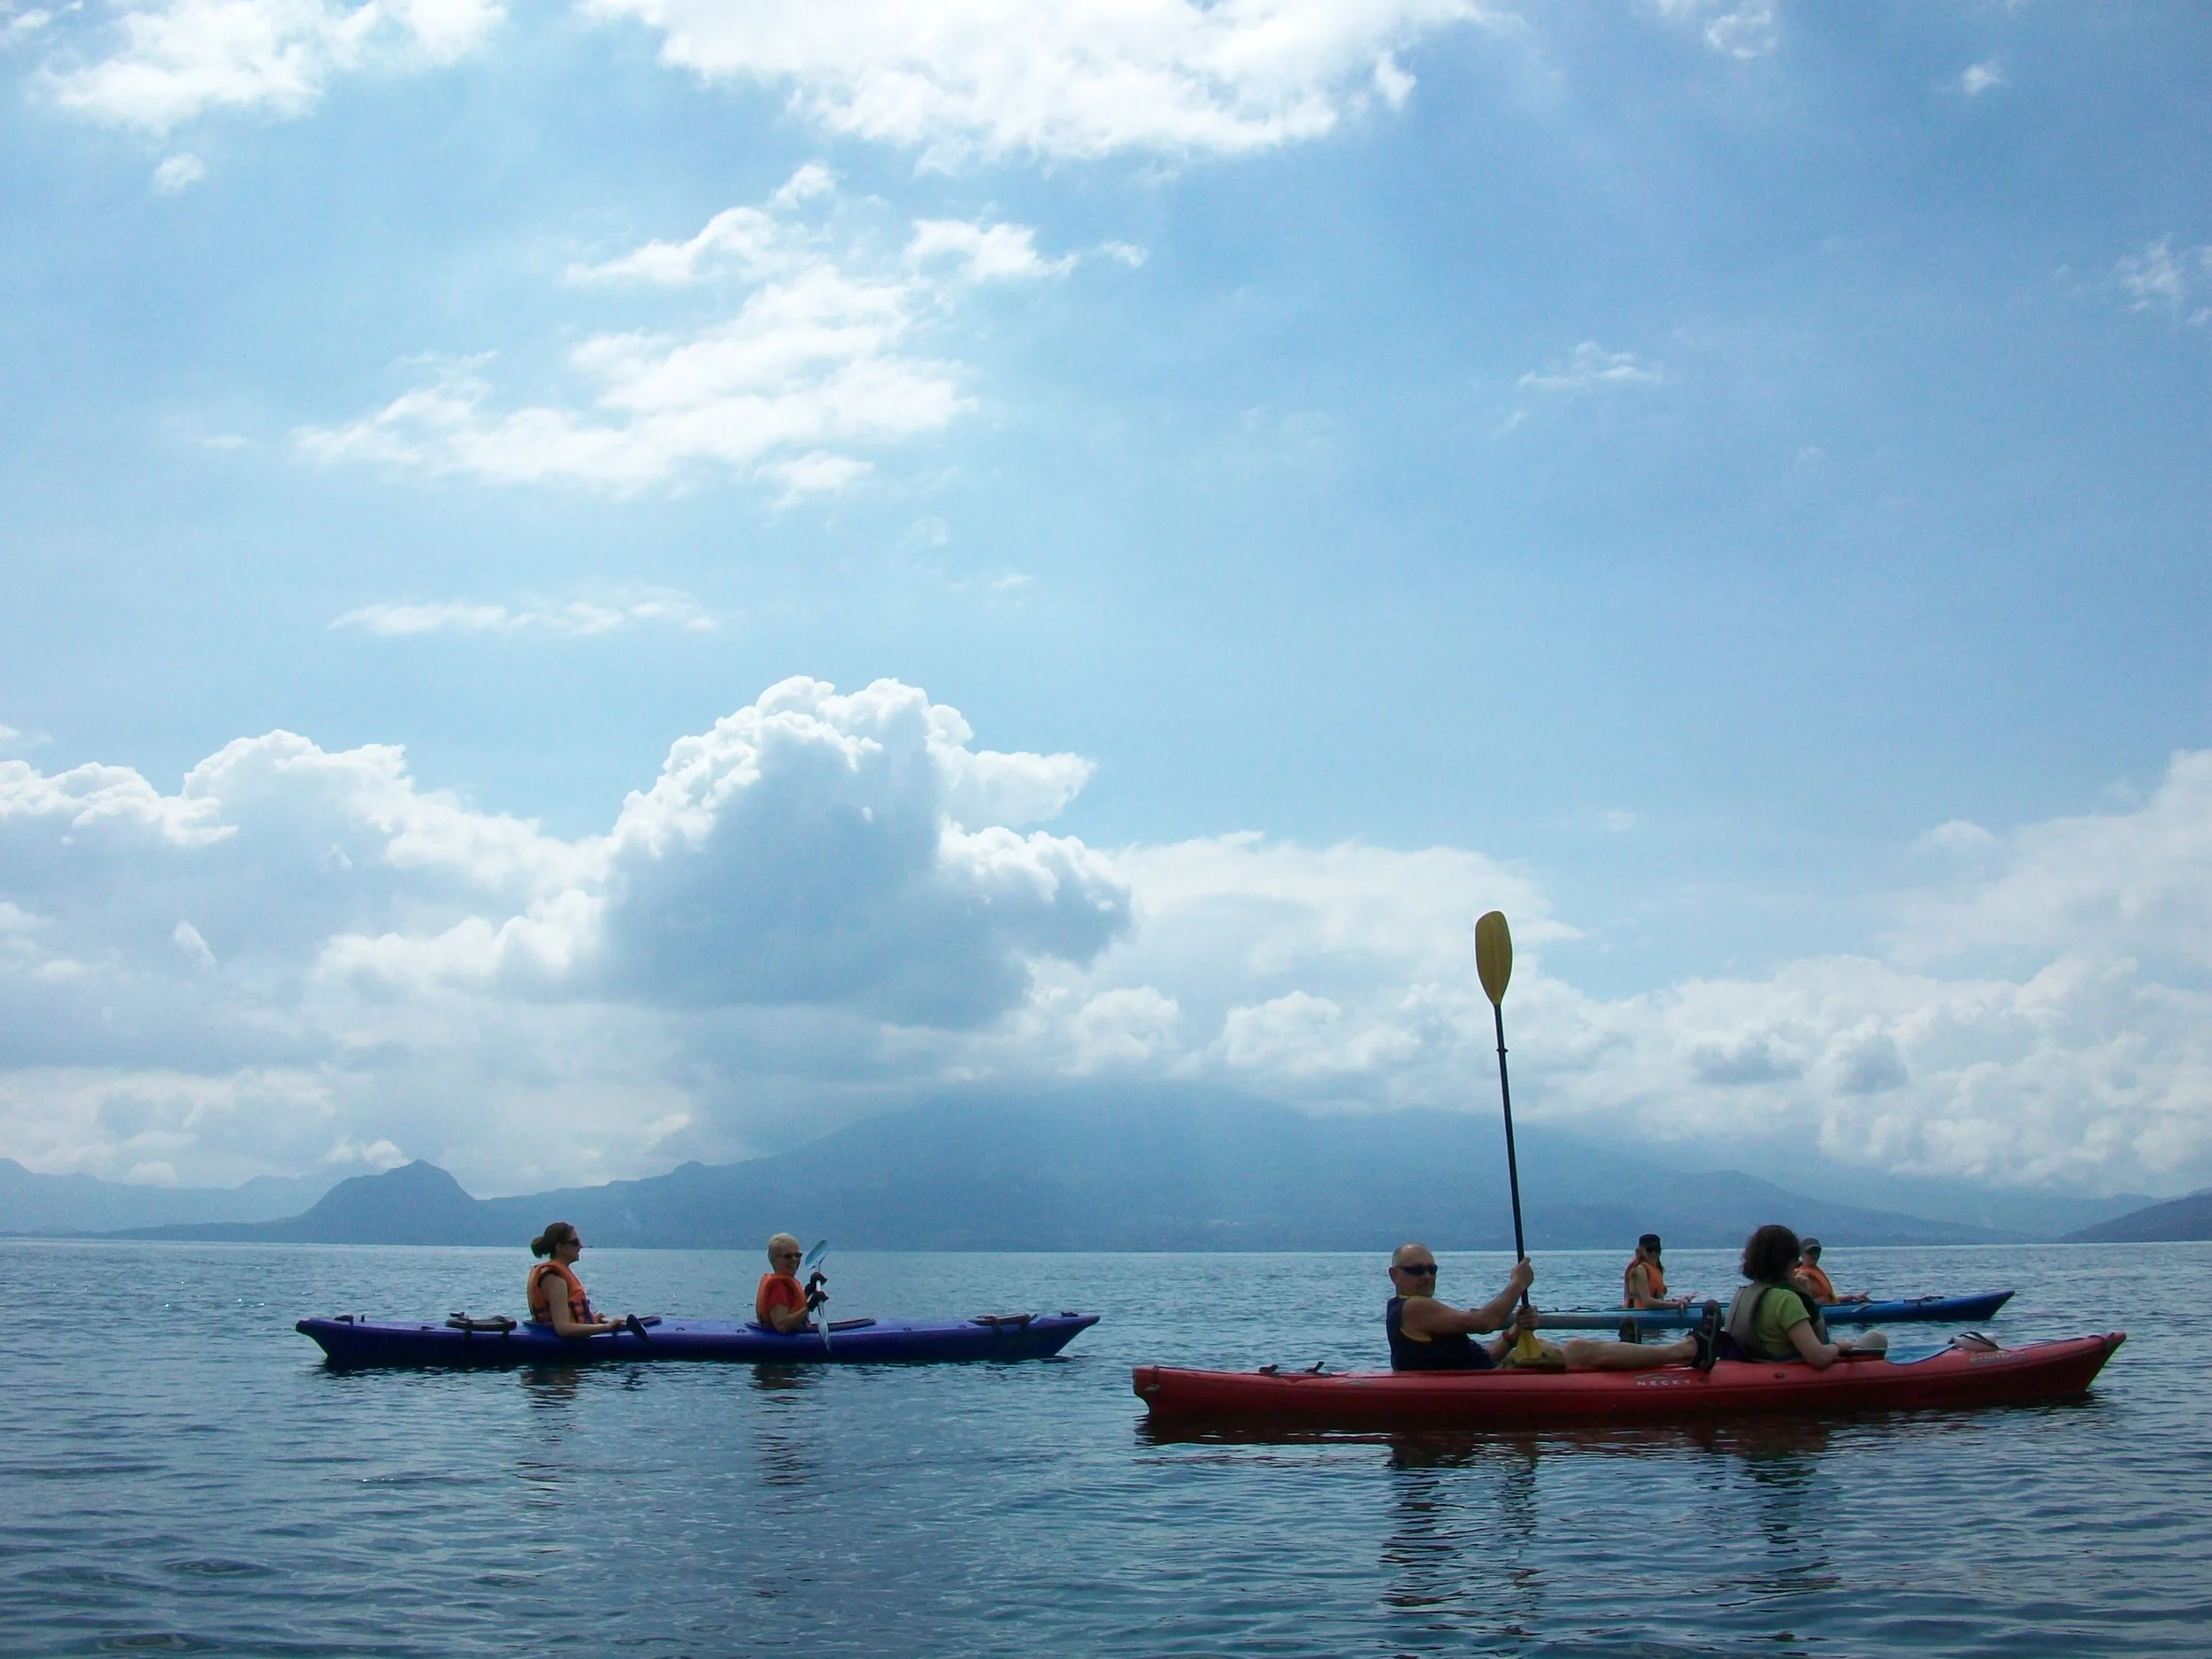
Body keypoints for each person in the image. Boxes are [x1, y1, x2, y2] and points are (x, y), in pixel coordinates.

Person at [1386, 1243, 1716, 1372]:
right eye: (1417, 1270)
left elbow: (1482, 1358)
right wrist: (1518, 1284)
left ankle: (1668, 1352)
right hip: (1481, 1387)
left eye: (1432, 1269)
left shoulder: (1421, 1311)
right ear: (1395, 1275)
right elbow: (1486, 1321)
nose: (1427, 1276)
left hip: (1481, 1377)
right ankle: (1687, 1350)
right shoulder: (1413, 1308)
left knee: (1552, 1348)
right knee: (1579, 1349)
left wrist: (1514, 1334)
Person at [1723, 1225, 1886, 1369]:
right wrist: (1840, 1346)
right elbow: (1819, 1358)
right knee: (1876, 1338)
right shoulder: (1786, 1299)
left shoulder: (1741, 1294)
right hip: (1787, 1372)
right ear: (1787, 1261)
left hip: (1755, 1367)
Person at [525, 1221, 628, 1338]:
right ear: (559, 1247)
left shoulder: (557, 1274)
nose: (580, 1246)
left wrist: (593, 1319)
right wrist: (606, 1327)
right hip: (557, 1348)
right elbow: (562, 1328)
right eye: (575, 1242)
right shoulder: (554, 1279)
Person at [756, 1233, 815, 1333]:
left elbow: (793, 1306)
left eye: (797, 1255)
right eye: (788, 1256)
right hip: (780, 1342)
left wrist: (809, 1291)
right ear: (774, 1259)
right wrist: (810, 1306)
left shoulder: (785, 1285)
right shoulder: (777, 1288)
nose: (794, 1260)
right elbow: (781, 1325)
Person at [1792, 1237, 1869, 1304]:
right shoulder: (1800, 1275)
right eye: (1810, 1252)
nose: (1814, 1254)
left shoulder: (1816, 1271)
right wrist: (1820, 1301)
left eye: (1817, 1251)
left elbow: (1830, 1299)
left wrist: (1851, 1297)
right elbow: (1801, 1304)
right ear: (1801, 1253)